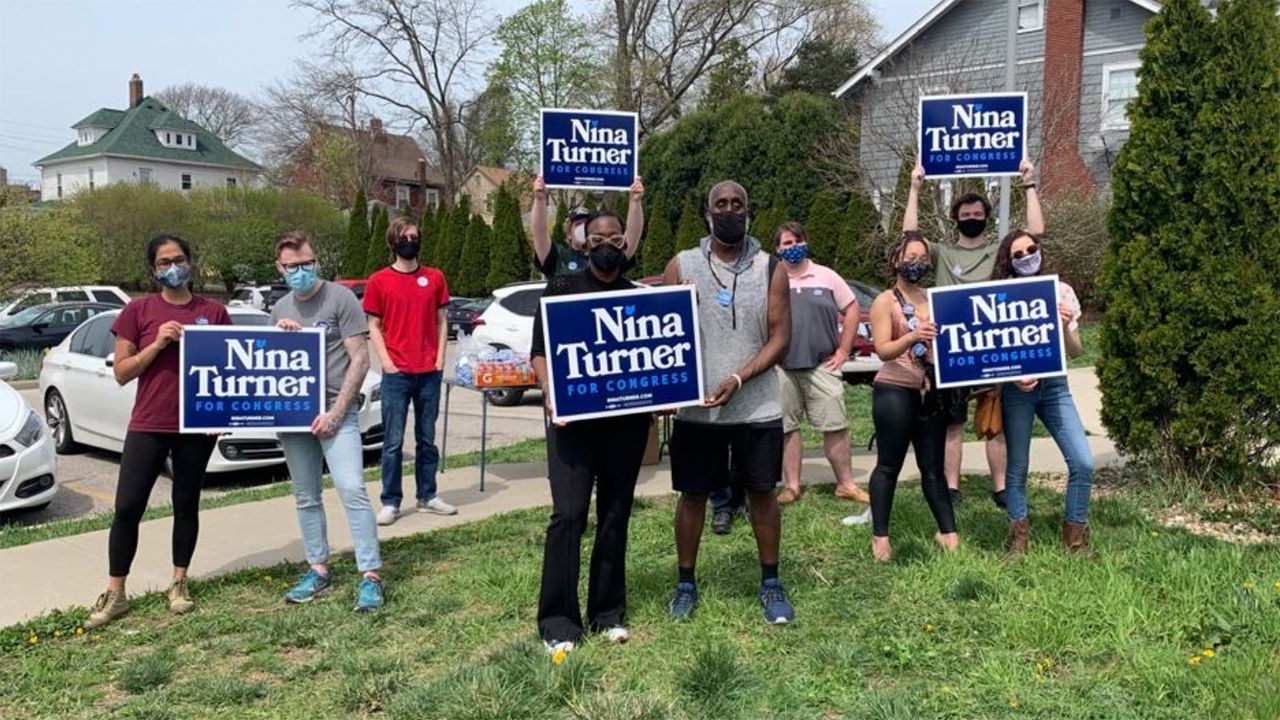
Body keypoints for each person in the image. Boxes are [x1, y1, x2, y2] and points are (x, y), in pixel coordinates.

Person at [663, 180, 795, 624]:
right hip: (698, 408)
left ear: (748, 211)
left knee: (762, 493)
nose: (729, 210)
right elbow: (664, 334)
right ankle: (685, 584)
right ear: (707, 213)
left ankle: (771, 583)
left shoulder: (770, 267)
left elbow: (781, 337)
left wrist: (740, 377)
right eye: (721, 204)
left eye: (738, 203)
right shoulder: (681, 265)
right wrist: (667, 388)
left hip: (757, 407)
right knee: (693, 495)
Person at [85, 235, 232, 629]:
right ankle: (116, 592)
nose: (173, 266)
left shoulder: (214, 312)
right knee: (128, 507)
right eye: (165, 261)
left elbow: (230, 370)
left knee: (186, 504)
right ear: (154, 269)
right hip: (149, 423)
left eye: (180, 258)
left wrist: (223, 415)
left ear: (191, 263)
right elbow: (121, 372)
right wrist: (158, 344)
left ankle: (179, 583)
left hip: (195, 426)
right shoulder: (138, 311)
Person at [529, 210, 653, 657]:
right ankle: (558, 622)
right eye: (597, 236)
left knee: (616, 513)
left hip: (625, 425)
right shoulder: (562, 287)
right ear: (583, 242)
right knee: (569, 515)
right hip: (573, 426)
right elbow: (540, 353)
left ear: (625, 244)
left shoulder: (639, 296)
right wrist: (550, 392)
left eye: (615, 237)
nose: (607, 243)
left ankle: (607, 614)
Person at [903, 160, 1044, 508]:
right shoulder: (943, 252)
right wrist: (915, 188)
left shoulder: (999, 248)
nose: (971, 217)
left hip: (991, 344)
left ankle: (1000, 488)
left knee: (993, 419)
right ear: (956, 217)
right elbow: (909, 238)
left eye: (977, 212)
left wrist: (1028, 184)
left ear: (986, 215)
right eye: (964, 213)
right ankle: (951, 487)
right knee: (953, 422)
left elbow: (1036, 234)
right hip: (951, 348)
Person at [271, 231, 385, 610]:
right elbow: (273, 365)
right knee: (306, 495)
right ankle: (317, 569)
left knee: (352, 489)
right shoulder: (280, 308)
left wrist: (337, 414)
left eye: (307, 263)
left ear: (316, 260)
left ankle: (370, 575)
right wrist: (283, 336)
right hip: (295, 416)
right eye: (292, 266)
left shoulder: (340, 298)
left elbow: (361, 358)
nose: (301, 271)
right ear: (280, 267)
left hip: (338, 412)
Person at [990, 230, 1094, 554]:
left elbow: (1076, 352)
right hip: (1016, 391)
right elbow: (994, 351)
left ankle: (1074, 541)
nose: (1026, 257)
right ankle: (1018, 542)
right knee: (1017, 467)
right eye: (1017, 255)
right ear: (1009, 261)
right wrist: (1014, 378)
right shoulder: (999, 295)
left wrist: (1064, 325)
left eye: (1031, 250)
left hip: (1054, 388)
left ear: (1041, 250)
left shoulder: (1061, 292)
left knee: (1083, 461)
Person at [865, 232, 959, 562]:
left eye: (922, 259)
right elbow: (883, 349)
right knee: (889, 465)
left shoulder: (933, 300)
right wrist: (913, 336)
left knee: (933, 468)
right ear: (896, 261)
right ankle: (881, 537)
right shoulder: (885, 302)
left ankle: (948, 532)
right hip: (894, 390)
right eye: (910, 258)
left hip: (929, 392)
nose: (916, 264)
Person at [772, 222, 873, 509]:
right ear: (778, 249)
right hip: (782, 368)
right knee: (787, 428)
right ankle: (791, 486)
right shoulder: (772, 278)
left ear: (806, 242)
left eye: (797, 241)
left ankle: (846, 484)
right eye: (787, 244)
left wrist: (844, 350)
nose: (793, 248)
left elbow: (852, 308)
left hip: (821, 366)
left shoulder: (827, 276)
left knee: (836, 425)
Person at [364, 217, 457, 525]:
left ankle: (428, 495)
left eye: (414, 237)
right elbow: (373, 327)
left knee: (427, 439)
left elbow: (443, 320)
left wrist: (440, 357)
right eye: (404, 237)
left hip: (429, 370)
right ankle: (390, 501)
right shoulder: (378, 281)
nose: (410, 242)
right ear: (393, 242)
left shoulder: (435, 278)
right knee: (392, 442)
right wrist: (386, 362)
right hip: (397, 373)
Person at [531, 174, 645, 277]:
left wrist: (635, 201)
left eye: (587, 224)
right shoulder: (558, 258)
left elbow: (632, 236)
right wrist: (540, 199)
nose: (583, 228)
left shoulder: (608, 256)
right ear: (569, 233)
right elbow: (539, 233)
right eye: (578, 224)